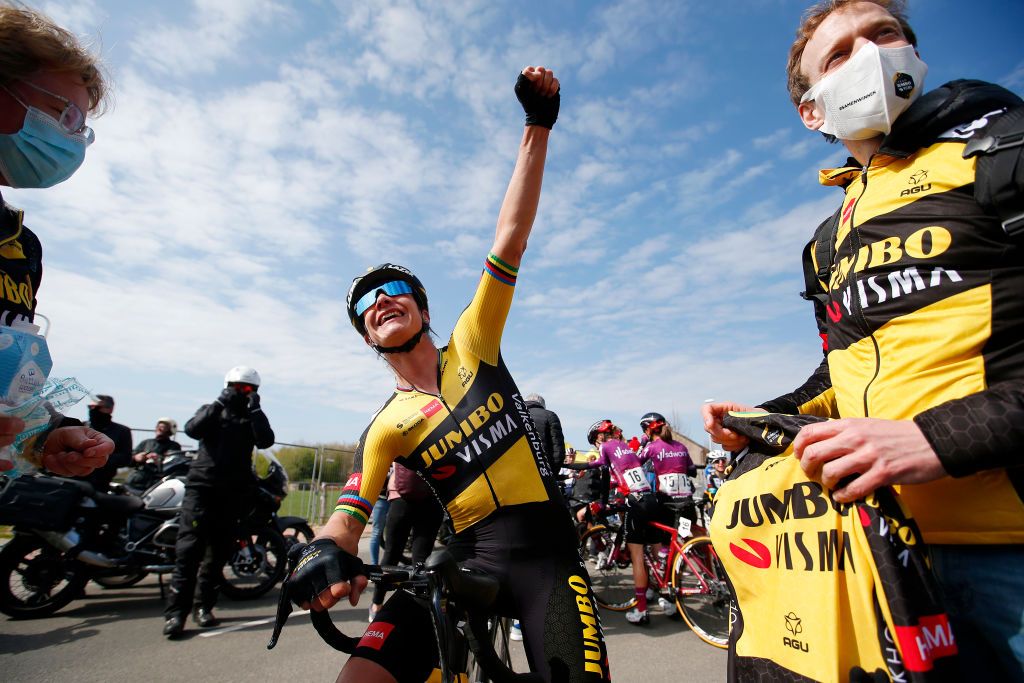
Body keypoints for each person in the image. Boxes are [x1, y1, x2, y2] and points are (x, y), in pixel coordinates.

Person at [702, 0, 1024, 677]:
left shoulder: (1004, 146)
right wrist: (762, 416)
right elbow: (841, 374)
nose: (871, 56)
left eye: (885, 35)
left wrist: (935, 437)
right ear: (812, 111)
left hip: (1010, 548)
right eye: (841, 52)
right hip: (889, 554)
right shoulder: (831, 237)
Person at [285, 67, 611, 683]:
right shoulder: (386, 426)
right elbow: (352, 508)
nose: (381, 299)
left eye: (396, 289)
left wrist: (537, 128)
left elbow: (509, 240)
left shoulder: (472, 341)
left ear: (423, 308)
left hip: (548, 557)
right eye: (366, 303)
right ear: (366, 336)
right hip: (465, 555)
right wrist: (327, 547)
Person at [0, 4, 113, 476]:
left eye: (82, 127)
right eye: (62, 114)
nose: (75, 139)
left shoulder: (21, 245)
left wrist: (43, 435)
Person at [163, 366, 275, 638]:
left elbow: (266, 440)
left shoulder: (251, 417)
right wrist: (220, 401)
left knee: (217, 555)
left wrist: (256, 409)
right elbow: (192, 429)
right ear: (227, 385)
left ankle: (204, 608)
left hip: (233, 494)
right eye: (238, 387)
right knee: (189, 552)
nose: (242, 392)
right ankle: (176, 614)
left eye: (248, 388)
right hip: (202, 489)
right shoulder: (212, 409)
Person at [567, 419, 671, 625]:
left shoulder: (605, 446)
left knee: (638, 557)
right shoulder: (624, 447)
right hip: (650, 499)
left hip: (636, 502)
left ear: (598, 437)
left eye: (594, 444)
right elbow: (617, 476)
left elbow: (596, 467)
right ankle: (666, 597)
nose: (596, 448)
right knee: (656, 551)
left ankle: (641, 611)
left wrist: (565, 464)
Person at [367, 461, 443, 622]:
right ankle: (418, 612)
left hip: (401, 497)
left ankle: (376, 605)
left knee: (391, 555)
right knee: (421, 562)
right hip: (433, 496)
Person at [73, 394, 132, 492]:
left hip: (99, 485)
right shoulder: (78, 427)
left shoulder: (122, 431)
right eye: (90, 407)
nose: (92, 410)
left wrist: (98, 457)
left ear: (110, 409)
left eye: (97, 407)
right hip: (73, 481)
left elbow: (125, 459)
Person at [126, 418, 181, 491]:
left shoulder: (174, 446)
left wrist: (159, 459)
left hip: (157, 484)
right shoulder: (146, 443)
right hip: (136, 481)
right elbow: (127, 461)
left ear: (170, 430)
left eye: (164, 427)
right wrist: (136, 458)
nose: (160, 429)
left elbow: (173, 464)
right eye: (158, 426)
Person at [524, 393, 566, 475]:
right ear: (542, 404)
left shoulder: (516, 415)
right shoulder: (550, 415)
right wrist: (554, 471)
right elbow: (558, 448)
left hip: (521, 466)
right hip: (543, 468)